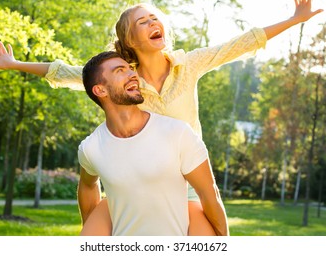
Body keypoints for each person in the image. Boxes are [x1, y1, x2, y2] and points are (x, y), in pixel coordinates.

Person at [0, 0, 322, 235]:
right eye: (142, 22)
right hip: (133, 175)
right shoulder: (121, 79)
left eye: (154, 18)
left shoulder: (187, 65)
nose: (152, 22)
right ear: (130, 39)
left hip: (184, 178)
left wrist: (295, 19)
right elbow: (66, 73)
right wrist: (15, 64)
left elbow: (241, 43)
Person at [77, 51, 225, 235]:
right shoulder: (91, 148)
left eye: (131, 69)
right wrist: (91, 223)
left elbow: (209, 192)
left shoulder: (178, 133)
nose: (133, 74)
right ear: (100, 90)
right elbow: (87, 185)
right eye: (120, 71)